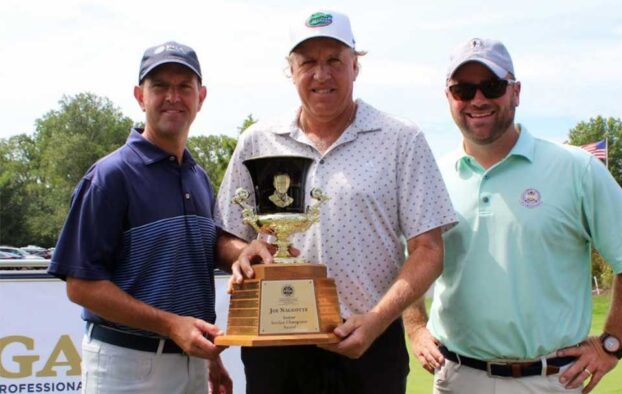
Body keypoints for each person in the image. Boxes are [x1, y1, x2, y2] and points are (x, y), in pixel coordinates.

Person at [215, 9, 456, 394]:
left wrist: (377, 320)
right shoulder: (257, 140)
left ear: (355, 66)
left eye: (334, 61)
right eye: (308, 62)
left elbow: (429, 249)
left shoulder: (400, 139)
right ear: (290, 69)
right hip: (276, 349)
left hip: (370, 344)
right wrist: (241, 253)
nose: (321, 74)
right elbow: (225, 236)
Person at [403, 38, 622, 394]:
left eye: (491, 86)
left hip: (550, 380)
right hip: (457, 379)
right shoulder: (432, 176)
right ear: (449, 97)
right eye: (463, 89)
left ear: (515, 92)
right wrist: (415, 327)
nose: (477, 100)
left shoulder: (576, 168)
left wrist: (612, 344)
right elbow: (410, 259)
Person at [48, 41, 232, 394]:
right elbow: (80, 285)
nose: (172, 96)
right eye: (159, 85)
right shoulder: (110, 176)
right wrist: (170, 325)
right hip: (126, 365)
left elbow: (188, 273)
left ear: (201, 97)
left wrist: (211, 359)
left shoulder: (198, 177)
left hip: (191, 362)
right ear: (140, 96)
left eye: (184, 86)